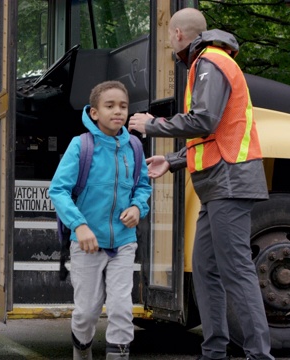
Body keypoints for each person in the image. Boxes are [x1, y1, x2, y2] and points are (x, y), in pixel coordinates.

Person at [127, 8, 274, 360]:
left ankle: (259, 355)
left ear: (179, 34)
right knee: (207, 268)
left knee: (236, 270)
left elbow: (205, 120)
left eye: (168, 36)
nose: (168, 43)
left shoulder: (210, 61)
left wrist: (153, 125)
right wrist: (173, 161)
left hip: (229, 183)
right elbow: (216, 131)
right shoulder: (208, 62)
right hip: (219, 185)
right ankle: (213, 351)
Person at [49, 80, 152, 360]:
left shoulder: (134, 146)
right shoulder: (81, 146)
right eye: (110, 106)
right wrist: (79, 226)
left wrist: (137, 207)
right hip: (86, 245)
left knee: (121, 308)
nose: (118, 111)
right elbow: (58, 190)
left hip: (123, 242)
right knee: (86, 312)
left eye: (123, 106)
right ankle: (81, 351)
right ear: (94, 112)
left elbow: (143, 185)